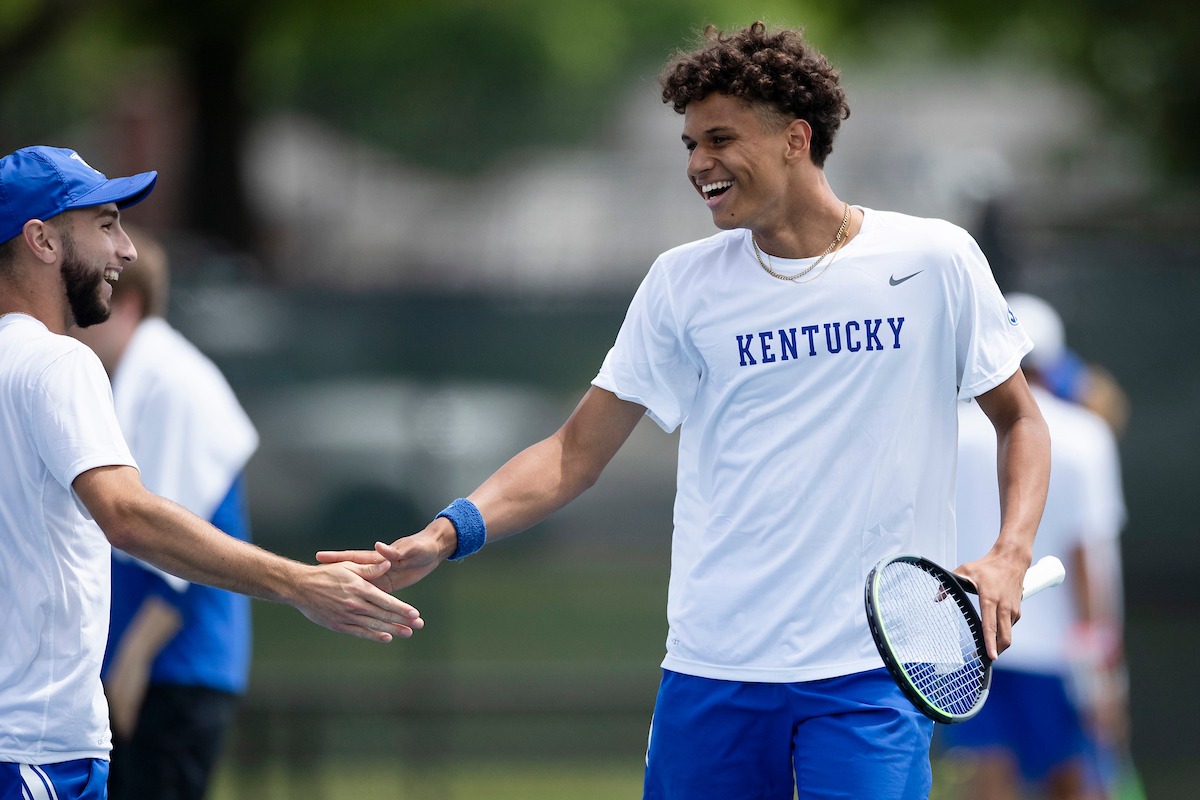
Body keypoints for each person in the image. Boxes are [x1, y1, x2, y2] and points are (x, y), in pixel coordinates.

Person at [321, 24, 1051, 800]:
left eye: (720, 138)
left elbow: (1022, 421)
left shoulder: (933, 259)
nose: (699, 163)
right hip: (715, 667)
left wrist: (1009, 552)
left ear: (795, 139)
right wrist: (445, 534)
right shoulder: (681, 285)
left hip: (870, 667)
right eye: (689, 143)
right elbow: (574, 454)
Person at [0, 145, 422, 800]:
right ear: (41, 240)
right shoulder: (57, 363)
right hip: (35, 753)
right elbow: (128, 514)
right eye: (106, 223)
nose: (128, 251)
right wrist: (300, 582)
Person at [70, 228, 257, 800]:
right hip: (151, 669)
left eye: (90, 302)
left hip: (174, 670)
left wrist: (131, 662)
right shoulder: (137, 381)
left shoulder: (172, 382)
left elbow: (172, 541)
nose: (75, 319)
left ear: (126, 304)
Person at [942, 293, 1129, 800]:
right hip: (1057, 657)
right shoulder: (1086, 435)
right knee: (1069, 785)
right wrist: (1103, 678)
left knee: (987, 784)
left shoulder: (951, 429)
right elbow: (1088, 565)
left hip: (968, 646)